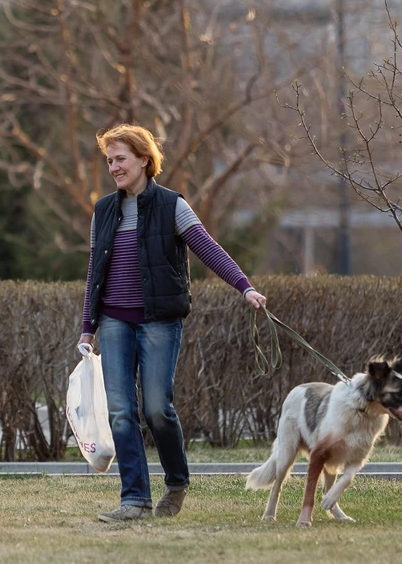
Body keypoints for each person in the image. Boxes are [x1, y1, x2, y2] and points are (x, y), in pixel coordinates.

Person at [77, 124, 267, 523]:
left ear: (145, 159)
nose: (113, 167)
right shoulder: (103, 210)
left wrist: (244, 287)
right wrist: (87, 326)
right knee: (121, 411)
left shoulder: (172, 205)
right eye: (109, 160)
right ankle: (135, 501)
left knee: (157, 409)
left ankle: (177, 481)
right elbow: (95, 269)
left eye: (120, 159)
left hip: (160, 321)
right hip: (114, 320)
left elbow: (208, 248)